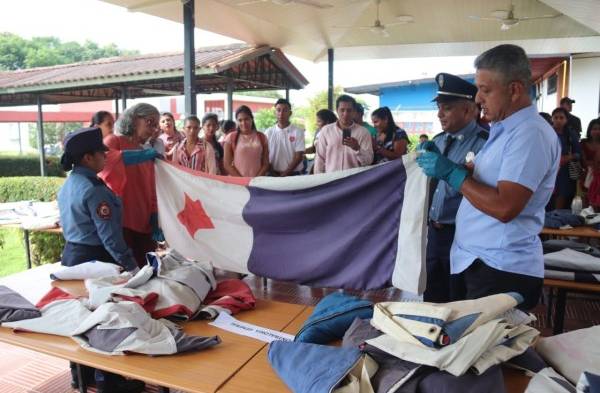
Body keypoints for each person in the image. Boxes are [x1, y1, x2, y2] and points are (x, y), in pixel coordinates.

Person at [417, 44, 560, 310]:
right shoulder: (505, 130)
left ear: (514, 89)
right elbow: (491, 182)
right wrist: (460, 170)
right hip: (479, 262)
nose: (478, 99)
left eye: (485, 90)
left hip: (500, 268)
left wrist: (453, 173)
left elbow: (506, 207)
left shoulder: (529, 134)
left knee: (486, 350)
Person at [58, 127, 144, 393]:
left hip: (72, 257)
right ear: (87, 158)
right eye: (100, 153)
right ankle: (109, 382)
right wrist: (131, 266)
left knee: (79, 318)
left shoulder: (70, 183)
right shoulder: (94, 190)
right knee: (104, 318)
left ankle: (80, 376)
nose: (105, 157)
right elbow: (110, 238)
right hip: (96, 260)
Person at [422, 73, 488, 303]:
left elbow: (483, 188)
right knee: (431, 298)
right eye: (439, 107)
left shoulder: (484, 144)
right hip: (433, 232)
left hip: (461, 235)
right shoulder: (438, 141)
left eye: (447, 108)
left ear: (469, 110)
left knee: (457, 298)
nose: (440, 114)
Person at [101, 103, 161, 268]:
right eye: (150, 123)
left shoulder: (145, 150)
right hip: (121, 223)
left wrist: (154, 216)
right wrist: (141, 156)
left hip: (144, 224)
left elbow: (151, 188)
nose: (154, 129)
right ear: (134, 120)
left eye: (156, 125)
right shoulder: (113, 141)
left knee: (146, 271)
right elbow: (105, 163)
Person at [314, 95, 373, 174]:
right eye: (342, 110)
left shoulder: (363, 132)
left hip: (354, 180)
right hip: (331, 179)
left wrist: (357, 148)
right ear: (337, 110)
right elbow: (320, 159)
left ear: (354, 112)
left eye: (349, 110)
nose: (345, 114)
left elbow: (368, 161)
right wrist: (319, 180)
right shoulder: (326, 131)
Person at [549, 107, 582, 210]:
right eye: (556, 117)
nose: (558, 120)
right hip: (549, 169)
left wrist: (568, 157)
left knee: (562, 194)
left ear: (566, 120)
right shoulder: (547, 132)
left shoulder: (571, 134)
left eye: (561, 118)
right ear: (552, 119)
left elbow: (578, 153)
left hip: (565, 171)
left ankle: (557, 217)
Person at [223, 105, 269, 177]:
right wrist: (242, 181)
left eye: (246, 119)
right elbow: (227, 164)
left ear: (252, 119)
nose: (243, 123)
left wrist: (255, 180)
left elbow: (265, 164)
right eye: (240, 120)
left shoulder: (262, 137)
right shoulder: (231, 138)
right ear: (237, 121)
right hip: (237, 182)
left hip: (257, 182)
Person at [265, 98, 305, 176]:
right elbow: (265, 155)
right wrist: (272, 172)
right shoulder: (268, 132)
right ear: (275, 112)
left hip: (294, 174)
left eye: (285, 110)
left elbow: (299, 156)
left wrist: (285, 174)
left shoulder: (298, 131)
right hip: (273, 174)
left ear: (290, 113)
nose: (281, 113)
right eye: (278, 110)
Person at [582, 119, 600, 210]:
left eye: (599, 129)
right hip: (586, 175)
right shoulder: (583, 142)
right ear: (589, 130)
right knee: (586, 199)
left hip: (598, 175)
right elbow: (583, 161)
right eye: (594, 129)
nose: (596, 131)